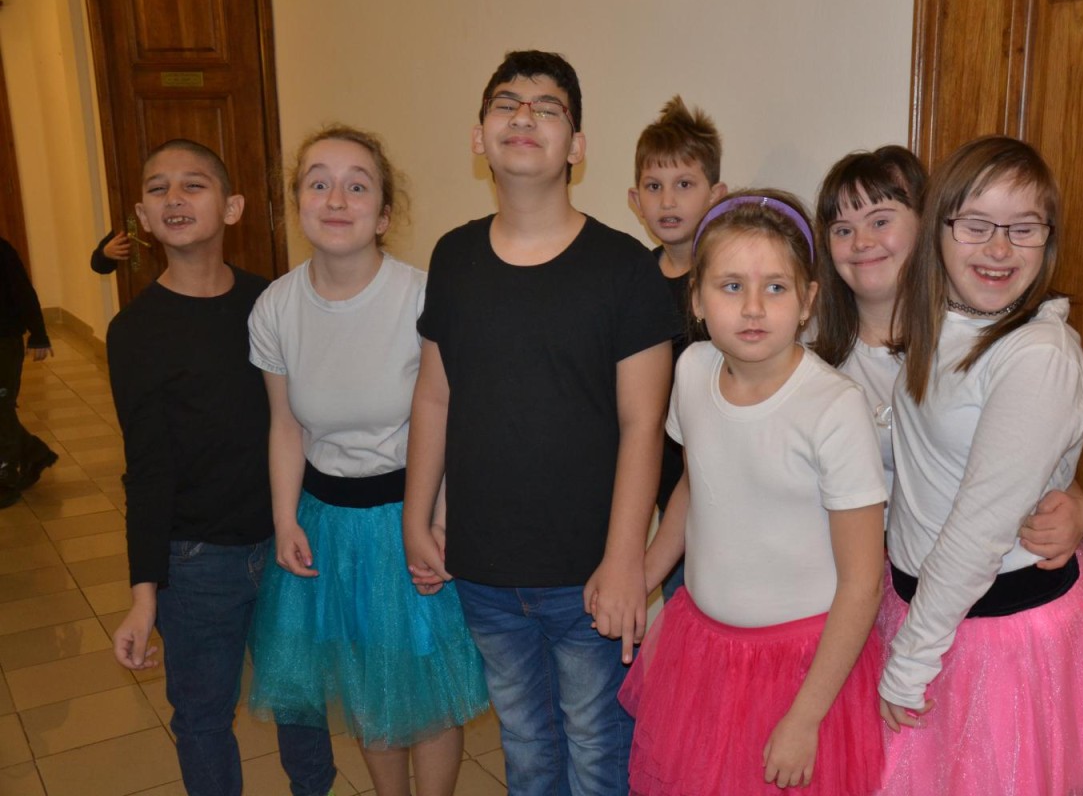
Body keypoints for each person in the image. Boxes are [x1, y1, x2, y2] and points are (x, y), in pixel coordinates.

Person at [877, 135, 1083, 794]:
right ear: (938, 228)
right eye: (977, 225)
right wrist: (1071, 490)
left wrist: (910, 661)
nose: (999, 249)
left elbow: (980, 527)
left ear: (1047, 240)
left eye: (1023, 228)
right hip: (922, 609)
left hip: (997, 640)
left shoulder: (1038, 355)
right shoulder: (934, 320)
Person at [403, 50, 676, 795]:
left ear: (576, 146)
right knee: (525, 745)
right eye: (507, 104)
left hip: (588, 575)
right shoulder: (454, 257)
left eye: (547, 108)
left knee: (595, 749)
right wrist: (415, 515)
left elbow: (644, 424)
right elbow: (434, 397)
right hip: (484, 568)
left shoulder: (624, 269)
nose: (524, 116)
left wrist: (625, 560)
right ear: (478, 136)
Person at [246, 125, 488, 796]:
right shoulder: (276, 307)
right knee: (364, 683)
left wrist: (439, 521)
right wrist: (285, 520)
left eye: (357, 186)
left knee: (426, 685)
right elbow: (285, 424)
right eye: (318, 183)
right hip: (329, 524)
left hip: (411, 516)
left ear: (384, 214)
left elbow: (454, 421)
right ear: (297, 203)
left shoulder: (423, 298)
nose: (336, 199)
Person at [620, 190, 887, 795]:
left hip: (804, 670)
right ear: (697, 298)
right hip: (701, 651)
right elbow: (698, 483)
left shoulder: (833, 407)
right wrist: (645, 572)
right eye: (731, 286)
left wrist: (805, 717)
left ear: (807, 301)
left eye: (775, 287)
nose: (753, 308)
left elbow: (862, 582)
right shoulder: (692, 370)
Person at [108, 139, 336, 796]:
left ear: (232, 207)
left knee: (301, 700)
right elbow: (146, 469)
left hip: (289, 543)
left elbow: (313, 421)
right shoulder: (135, 331)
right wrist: (144, 596)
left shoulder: (276, 303)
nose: (174, 198)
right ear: (142, 218)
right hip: (195, 562)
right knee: (203, 715)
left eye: (193, 184)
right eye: (158, 189)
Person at [810, 144, 1083, 561]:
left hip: (955, 567)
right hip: (843, 560)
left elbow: (1026, 455)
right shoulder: (806, 348)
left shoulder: (973, 342)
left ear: (930, 227)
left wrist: (1079, 507)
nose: (862, 242)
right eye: (842, 230)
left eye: (881, 221)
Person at [628, 95, 726, 601]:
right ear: (635, 200)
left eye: (684, 185)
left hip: (724, 483)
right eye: (654, 187)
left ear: (716, 195)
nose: (668, 202)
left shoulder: (729, 283)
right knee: (680, 606)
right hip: (663, 480)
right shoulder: (633, 281)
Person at [0, 237, 56, 507]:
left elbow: (22, 291)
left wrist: (39, 334)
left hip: (3, 341)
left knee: (1, 408)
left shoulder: (1, 250)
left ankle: (5, 479)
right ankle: (33, 453)